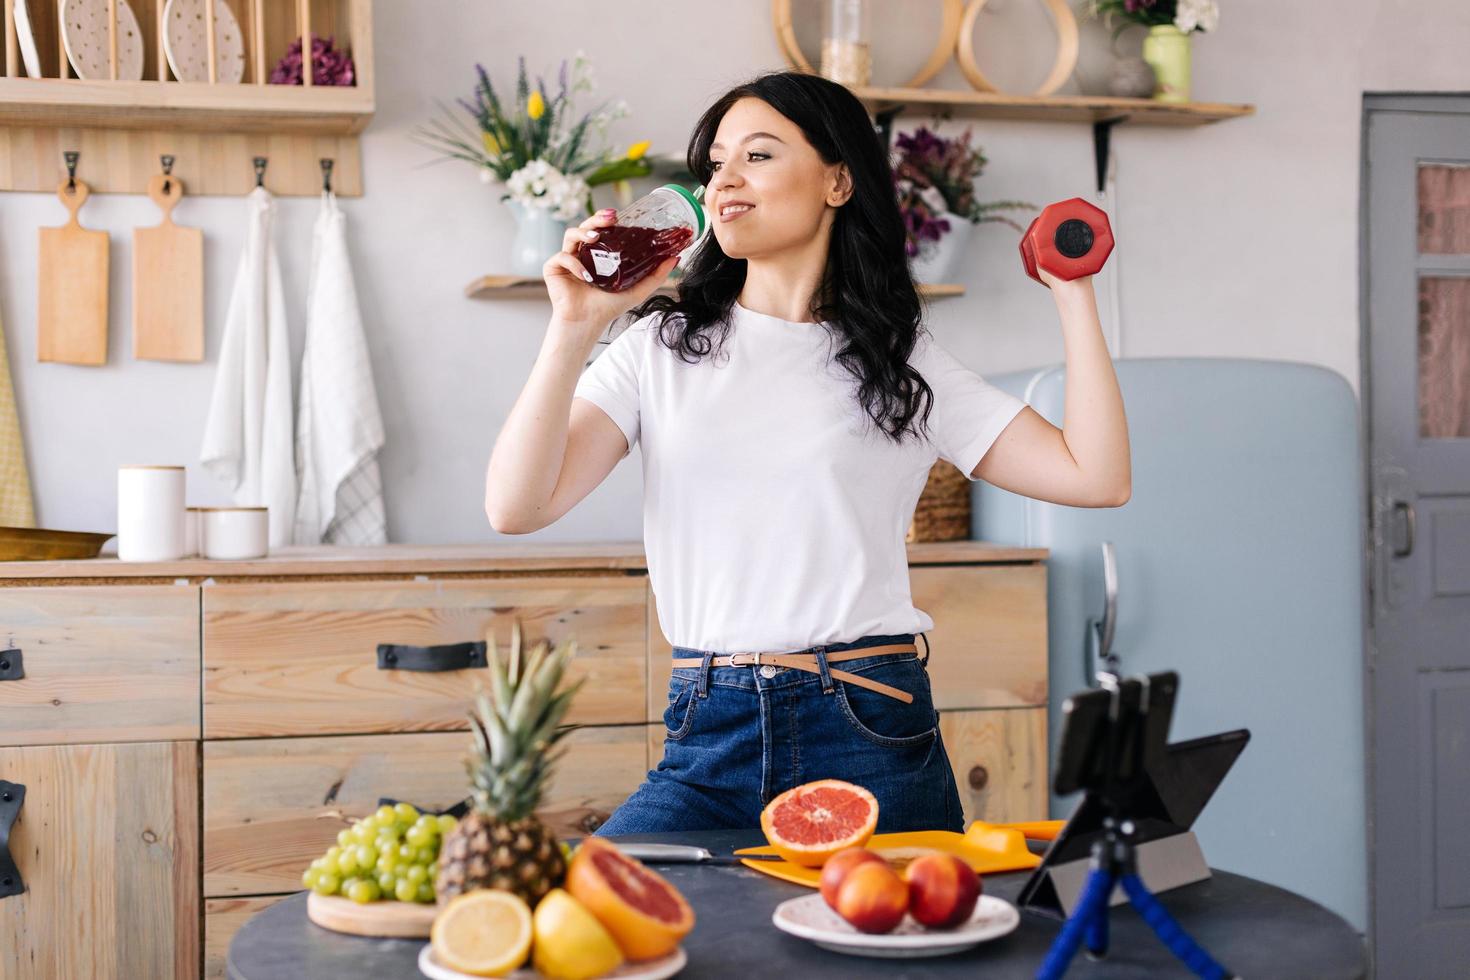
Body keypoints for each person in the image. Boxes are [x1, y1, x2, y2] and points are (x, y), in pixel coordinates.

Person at [484, 70, 1131, 835]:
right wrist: (574, 326)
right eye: (715, 163)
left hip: (869, 725)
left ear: (837, 179)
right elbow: (515, 508)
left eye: (757, 156)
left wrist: (1072, 292)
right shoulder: (659, 349)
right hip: (707, 733)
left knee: (888, 954)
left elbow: (1096, 477)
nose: (725, 180)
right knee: (594, 933)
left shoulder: (901, 363)